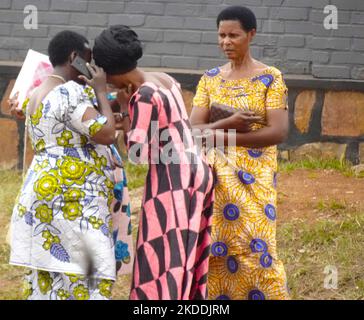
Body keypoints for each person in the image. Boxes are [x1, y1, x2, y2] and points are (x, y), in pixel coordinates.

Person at [84, 25, 215, 300]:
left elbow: (137, 153)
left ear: (109, 71)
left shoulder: (141, 95)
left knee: (161, 256)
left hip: (172, 179)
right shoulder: (162, 78)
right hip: (196, 169)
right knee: (184, 251)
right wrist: (127, 113)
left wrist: (122, 109)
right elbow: (163, 126)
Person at [8, 30, 133, 300]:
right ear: (73, 57)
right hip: (74, 196)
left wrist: (113, 106)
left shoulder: (37, 93)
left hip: (43, 191)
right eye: (88, 61)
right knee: (88, 275)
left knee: (51, 277)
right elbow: (107, 133)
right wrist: (101, 89)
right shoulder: (70, 92)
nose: (91, 69)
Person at [190, 6, 290, 300]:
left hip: (254, 178)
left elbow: (277, 132)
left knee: (256, 246)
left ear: (251, 35)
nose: (226, 42)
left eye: (234, 35)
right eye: (221, 35)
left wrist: (221, 134)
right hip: (215, 178)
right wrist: (229, 127)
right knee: (216, 247)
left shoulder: (270, 78)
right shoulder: (210, 78)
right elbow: (193, 129)